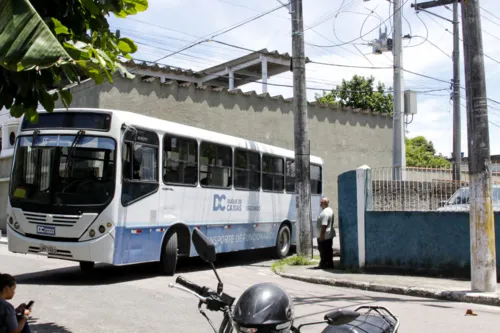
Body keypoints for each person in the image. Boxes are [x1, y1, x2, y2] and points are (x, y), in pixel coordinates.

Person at [313, 197, 335, 269]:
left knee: (323, 251)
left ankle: (323, 264)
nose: (320, 203)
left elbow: (324, 225)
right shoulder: (330, 210)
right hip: (329, 235)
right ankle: (330, 264)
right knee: (328, 250)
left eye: (321, 202)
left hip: (324, 236)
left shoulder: (325, 213)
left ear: (325, 203)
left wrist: (321, 236)